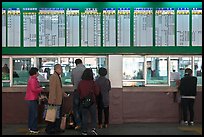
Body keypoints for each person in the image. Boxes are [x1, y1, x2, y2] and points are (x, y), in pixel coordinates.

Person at [45, 64, 68, 134]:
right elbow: (52, 89)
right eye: (60, 69)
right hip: (55, 101)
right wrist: (52, 100)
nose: (62, 70)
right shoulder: (53, 77)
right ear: (56, 69)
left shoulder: (57, 76)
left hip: (58, 100)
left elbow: (59, 88)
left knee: (57, 116)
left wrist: (64, 94)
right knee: (52, 116)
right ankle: (50, 129)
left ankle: (56, 128)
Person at [78, 68, 99, 135]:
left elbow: (78, 92)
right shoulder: (93, 83)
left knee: (85, 117)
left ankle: (84, 131)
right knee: (93, 116)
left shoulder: (80, 83)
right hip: (92, 102)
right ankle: (93, 129)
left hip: (83, 102)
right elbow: (97, 92)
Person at [24, 67, 44, 134]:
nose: (38, 73)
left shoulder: (33, 79)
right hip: (32, 98)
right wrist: (41, 89)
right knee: (34, 114)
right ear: (35, 73)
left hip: (31, 98)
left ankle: (31, 127)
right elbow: (34, 89)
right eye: (37, 72)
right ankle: (33, 128)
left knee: (31, 114)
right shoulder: (33, 80)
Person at [71, 59, 86, 130]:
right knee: (83, 107)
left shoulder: (73, 70)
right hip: (84, 92)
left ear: (75, 63)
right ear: (81, 62)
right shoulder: (85, 69)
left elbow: (72, 81)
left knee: (76, 108)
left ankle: (78, 123)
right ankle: (84, 124)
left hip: (76, 91)